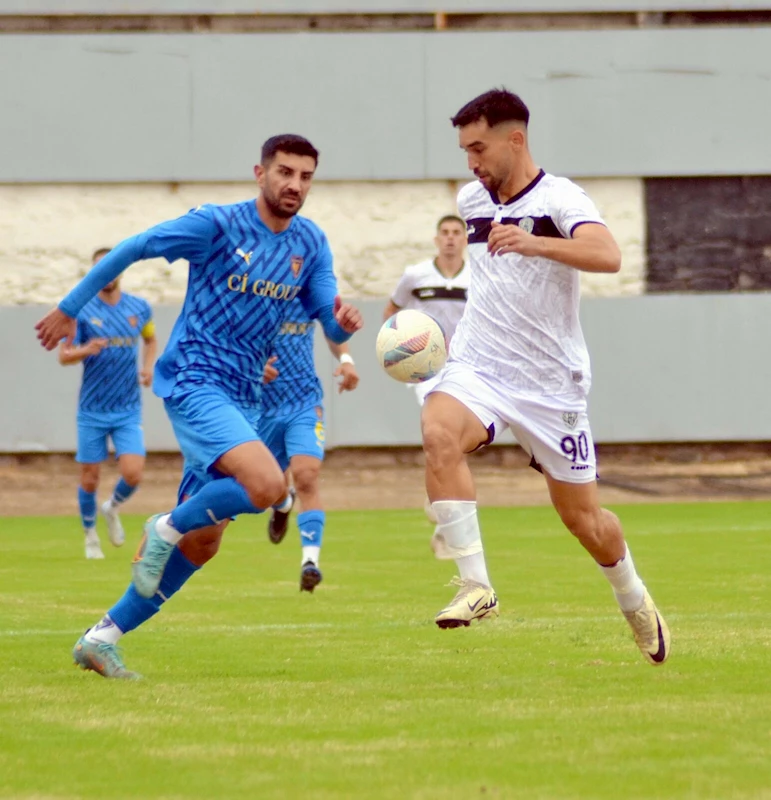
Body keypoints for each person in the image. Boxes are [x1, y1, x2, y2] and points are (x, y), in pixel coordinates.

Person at [35, 134, 363, 679]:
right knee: (266, 487)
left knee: (205, 542)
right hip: (194, 380)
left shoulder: (310, 242)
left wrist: (341, 324)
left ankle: (100, 638)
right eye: (284, 172)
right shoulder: (216, 225)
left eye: (305, 176)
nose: (294, 185)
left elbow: (325, 314)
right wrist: (71, 307)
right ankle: (163, 527)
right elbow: (135, 247)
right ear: (259, 173)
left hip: (244, 396)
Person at [421, 88, 670, 666]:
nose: (471, 163)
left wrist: (535, 242)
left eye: (478, 148)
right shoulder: (470, 199)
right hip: (479, 366)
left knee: (585, 522)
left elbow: (608, 255)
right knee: (438, 433)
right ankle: (475, 586)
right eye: (464, 151)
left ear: (516, 139)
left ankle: (634, 599)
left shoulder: (560, 197)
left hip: (550, 386)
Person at [58, 249, 157, 559]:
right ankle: (90, 534)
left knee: (133, 473)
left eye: (111, 267)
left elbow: (150, 340)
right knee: (90, 476)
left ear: (121, 270)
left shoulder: (139, 308)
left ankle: (111, 508)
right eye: (100, 269)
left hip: (128, 407)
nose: (107, 274)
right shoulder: (82, 311)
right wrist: (86, 349)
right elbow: (64, 355)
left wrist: (149, 366)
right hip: (93, 409)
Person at [261, 297, 360, 592]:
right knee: (267, 485)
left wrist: (346, 360)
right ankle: (282, 504)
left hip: (304, 402)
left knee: (306, 475)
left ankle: (310, 562)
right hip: (261, 405)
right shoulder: (250, 286)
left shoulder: (310, 283)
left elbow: (335, 326)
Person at [383, 215, 469, 406]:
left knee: (460, 419)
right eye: (445, 233)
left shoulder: (475, 277)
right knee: (435, 415)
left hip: (464, 361)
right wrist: (401, 345)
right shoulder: (415, 274)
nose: (450, 238)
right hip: (426, 361)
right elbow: (390, 311)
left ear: (465, 240)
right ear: (436, 240)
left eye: (456, 233)